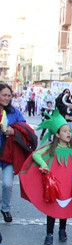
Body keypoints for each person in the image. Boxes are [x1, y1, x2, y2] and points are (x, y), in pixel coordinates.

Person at [30, 109, 72, 245]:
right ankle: (49, 233)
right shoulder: (51, 147)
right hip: (53, 184)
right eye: (65, 131)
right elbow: (36, 155)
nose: (69, 133)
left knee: (65, 207)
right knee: (52, 208)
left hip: (68, 185)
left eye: (69, 131)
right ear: (57, 134)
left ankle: (62, 230)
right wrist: (44, 164)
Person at [0, 83, 31, 222]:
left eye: (9, 95)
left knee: (7, 184)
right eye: (4, 95)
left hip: (9, 154)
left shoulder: (14, 112)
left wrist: (14, 131)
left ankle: (5, 208)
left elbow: (25, 128)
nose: (7, 98)